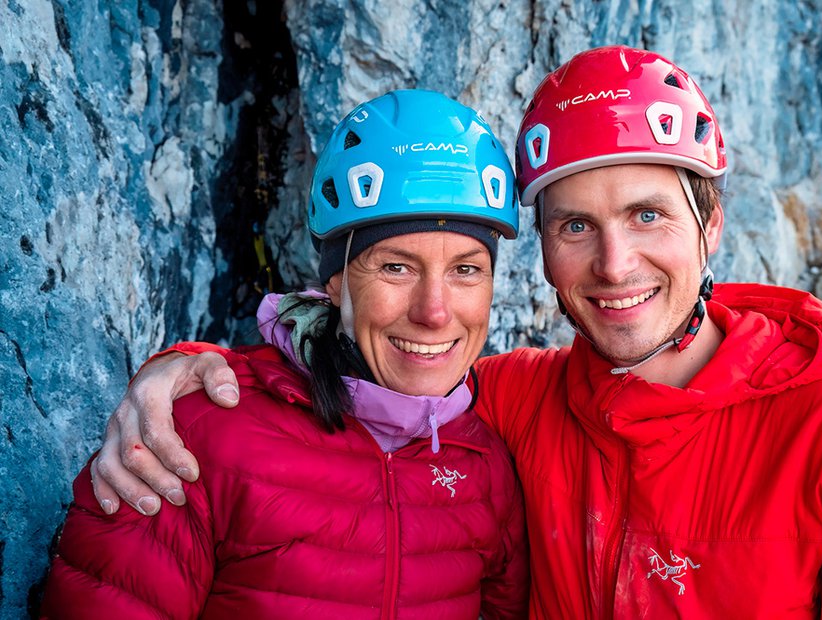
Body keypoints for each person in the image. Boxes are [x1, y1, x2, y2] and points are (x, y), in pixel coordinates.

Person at [88, 46, 822, 617]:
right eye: (573, 227)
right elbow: (372, 382)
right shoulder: (516, 405)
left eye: (647, 215)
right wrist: (187, 370)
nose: (614, 262)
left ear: (711, 224)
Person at [41, 90, 530, 618]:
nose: (434, 312)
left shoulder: (485, 469)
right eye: (395, 266)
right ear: (337, 283)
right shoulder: (196, 435)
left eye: (466, 269)